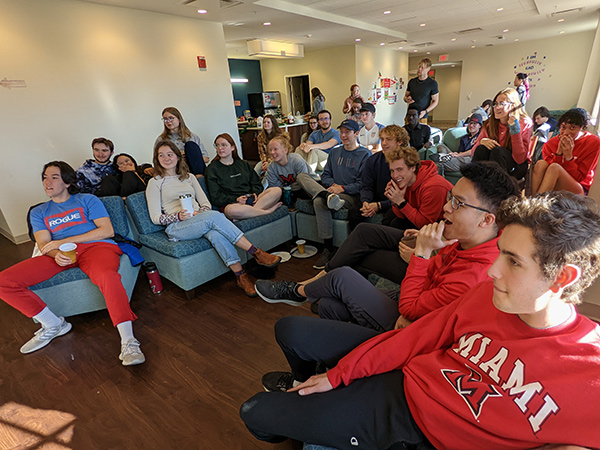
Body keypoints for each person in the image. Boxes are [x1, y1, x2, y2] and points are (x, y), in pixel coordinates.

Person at [241, 191, 600, 450]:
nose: (493, 269)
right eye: (500, 254)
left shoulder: (589, 370)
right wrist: (339, 375)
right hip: (403, 383)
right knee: (277, 366)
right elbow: (413, 337)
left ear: (562, 278)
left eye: (513, 261)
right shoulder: (486, 297)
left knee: (255, 411)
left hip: (414, 431)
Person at [256, 162, 518, 334]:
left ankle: (298, 291)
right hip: (413, 299)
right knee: (329, 304)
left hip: (412, 325)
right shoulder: (468, 243)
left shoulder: (477, 274)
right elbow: (431, 277)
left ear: (487, 220)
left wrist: (422, 255)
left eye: (458, 203)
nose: (447, 207)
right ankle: (333, 352)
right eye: (452, 199)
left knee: (343, 275)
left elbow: (410, 309)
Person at [0, 161, 145, 365]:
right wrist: (56, 252)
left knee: (107, 276)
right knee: (4, 281)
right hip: (60, 254)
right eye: (44, 177)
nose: (47, 182)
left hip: (96, 247)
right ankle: (53, 325)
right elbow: (43, 243)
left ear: (67, 182)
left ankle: (129, 341)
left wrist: (62, 241)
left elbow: (107, 231)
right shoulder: (39, 212)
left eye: (54, 177)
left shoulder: (88, 200)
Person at [146, 140, 281, 297]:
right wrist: (178, 215)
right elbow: (155, 218)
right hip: (177, 226)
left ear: (177, 156)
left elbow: (205, 204)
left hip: (199, 219)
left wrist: (199, 213)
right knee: (215, 217)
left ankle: (241, 277)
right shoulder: (155, 182)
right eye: (161, 155)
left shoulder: (189, 177)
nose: (166, 158)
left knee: (215, 233)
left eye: (170, 154)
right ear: (156, 158)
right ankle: (256, 252)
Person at [296, 120, 371, 269]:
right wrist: (332, 187)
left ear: (356, 134)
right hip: (331, 192)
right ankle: (325, 197)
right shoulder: (335, 152)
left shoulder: (365, 154)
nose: (342, 135)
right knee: (302, 176)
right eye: (341, 132)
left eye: (347, 132)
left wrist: (342, 188)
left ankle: (328, 248)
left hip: (350, 195)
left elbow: (362, 184)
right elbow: (325, 175)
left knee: (318, 201)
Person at [205, 133, 282, 220]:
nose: (220, 148)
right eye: (217, 145)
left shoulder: (243, 164)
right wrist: (236, 199)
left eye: (223, 145)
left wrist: (255, 194)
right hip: (234, 204)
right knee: (230, 211)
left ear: (233, 147)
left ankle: (247, 214)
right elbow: (216, 197)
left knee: (277, 190)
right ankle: (267, 212)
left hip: (253, 200)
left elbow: (256, 184)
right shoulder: (212, 169)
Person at [348, 124, 409, 231]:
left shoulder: (407, 162)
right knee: (354, 211)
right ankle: (359, 245)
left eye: (388, 139)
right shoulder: (373, 160)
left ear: (399, 142)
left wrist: (380, 205)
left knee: (391, 218)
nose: (384, 143)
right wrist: (366, 202)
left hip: (396, 202)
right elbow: (366, 186)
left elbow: (406, 195)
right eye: (382, 139)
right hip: (374, 199)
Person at [531, 108, 600, 196]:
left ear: (582, 128)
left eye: (572, 128)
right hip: (553, 183)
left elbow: (579, 178)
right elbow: (549, 174)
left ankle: (536, 205)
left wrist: (568, 157)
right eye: (563, 127)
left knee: (555, 168)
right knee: (541, 164)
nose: (566, 133)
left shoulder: (593, 142)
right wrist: (559, 154)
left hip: (579, 187)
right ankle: (532, 201)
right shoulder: (550, 144)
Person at [384, 144, 452, 230]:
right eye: (392, 171)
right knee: (389, 217)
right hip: (421, 216)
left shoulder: (433, 187)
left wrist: (401, 203)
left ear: (413, 168)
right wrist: (395, 201)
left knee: (396, 224)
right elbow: (401, 215)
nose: (395, 175)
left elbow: (425, 224)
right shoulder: (405, 180)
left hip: (443, 224)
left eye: (399, 169)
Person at [472, 87, 532, 180]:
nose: (496, 108)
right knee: (481, 149)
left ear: (513, 105)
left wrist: (514, 130)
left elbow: (520, 159)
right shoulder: (490, 123)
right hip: (494, 164)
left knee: (498, 151)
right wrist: (481, 141)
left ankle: (497, 189)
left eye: (502, 104)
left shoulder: (524, 122)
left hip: (516, 166)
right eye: (495, 104)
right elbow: (473, 152)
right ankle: (474, 185)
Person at [155, 107, 209, 176]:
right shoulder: (161, 140)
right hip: (173, 171)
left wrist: (189, 155)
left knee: (190, 145)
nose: (168, 121)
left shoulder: (192, 137)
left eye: (171, 118)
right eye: (165, 119)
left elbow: (206, 158)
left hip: (193, 170)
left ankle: (199, 180)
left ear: (179, 119)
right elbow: (157, 161)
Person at [266, 135, 314, 200]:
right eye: (270, 150)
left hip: (308, 186)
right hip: (288, 190)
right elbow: (275, 188)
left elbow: (305, 182)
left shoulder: (297, 161)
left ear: (285, 150)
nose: (272, 152)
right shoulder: (271, 167)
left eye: (275, 149)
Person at [404, 58, 439, 123]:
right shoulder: (412, 82)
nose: (420, 69)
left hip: (422, 116)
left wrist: (425, 111)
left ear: (428, 69)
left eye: (422, 68)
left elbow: (435, 101)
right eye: (419, 67)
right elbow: (405, 97)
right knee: (406, 133)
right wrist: (407, 99)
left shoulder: (432, 83)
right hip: (410, 115)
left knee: (421, 132)